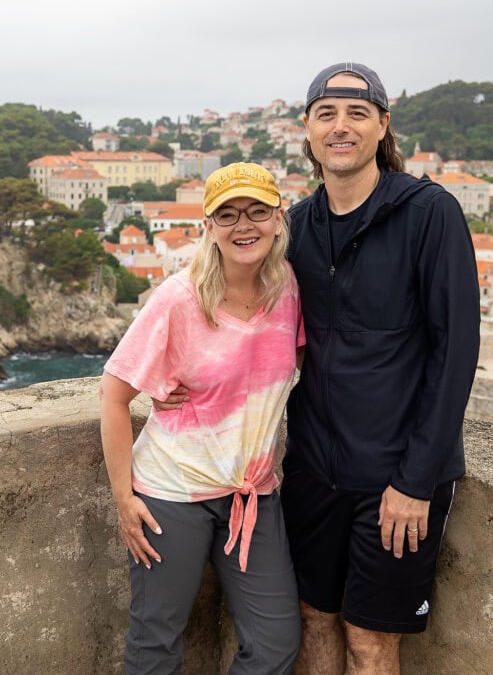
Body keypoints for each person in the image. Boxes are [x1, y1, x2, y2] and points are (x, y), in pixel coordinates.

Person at [158, 63, 481, 673]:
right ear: (305, 130)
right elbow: (242, 311)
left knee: (370, 640)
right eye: (326, 114)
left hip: (397, 477)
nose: (341, 127)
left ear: (382, 126)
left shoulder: (429, 214)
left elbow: (455, 354)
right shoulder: (296, 226)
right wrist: (181, 380)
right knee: (314, 622)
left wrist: (417, 481)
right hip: (310, 474)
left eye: (358, 114)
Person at [100, 162, 303, 674]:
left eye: (258, 211)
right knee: (156, 642)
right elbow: (113, 393)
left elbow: (278, 370)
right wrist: (125, 499)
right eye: (228, 214)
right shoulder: (179, 298)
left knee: (276, 641)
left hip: (252, 494)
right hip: (172, 494)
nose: (244, 226)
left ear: (279, 219)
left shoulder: (289, 291)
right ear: (207, 227)